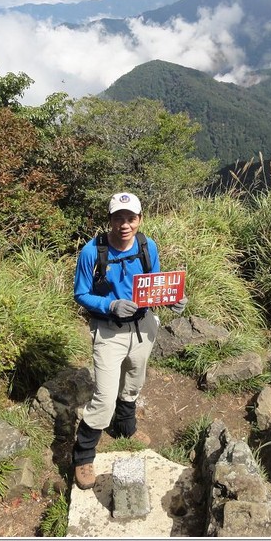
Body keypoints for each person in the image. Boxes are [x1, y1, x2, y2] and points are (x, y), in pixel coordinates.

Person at [71, 192, 188, 490]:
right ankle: (83, 456)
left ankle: (125, 426)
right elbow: (80, 293)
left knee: (135, 379)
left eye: (131, 218)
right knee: (105, 396)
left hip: (142, 325)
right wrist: (109, 305)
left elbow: (156, 282)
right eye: (118, 218)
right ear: (110, 220)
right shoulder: (91, 252)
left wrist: (174, 299)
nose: (125, 224)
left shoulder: (148, 247)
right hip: (109, 330)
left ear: (139, 219)